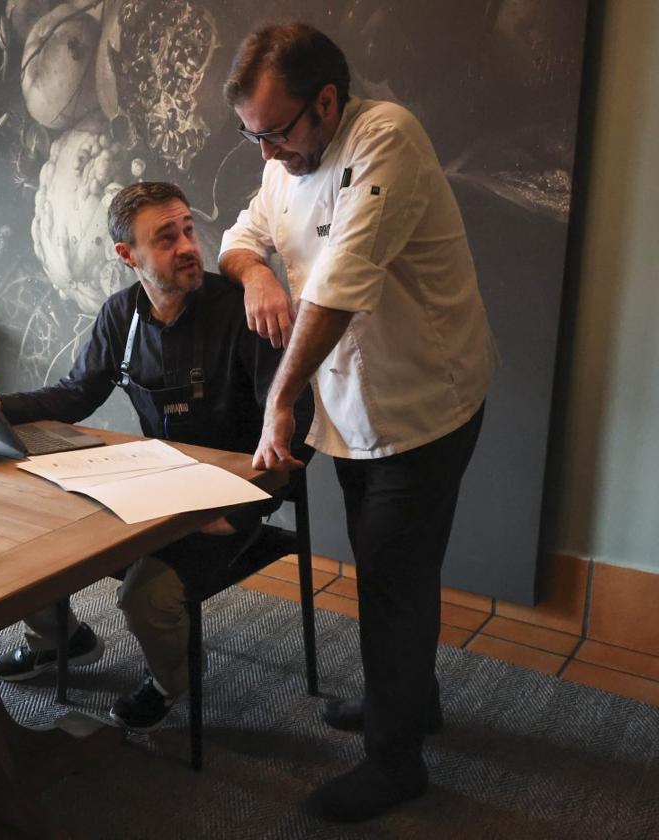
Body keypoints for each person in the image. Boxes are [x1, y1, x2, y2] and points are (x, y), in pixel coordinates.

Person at [218, 23, 496, 822]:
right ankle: (410, 704)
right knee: (399, 572)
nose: (266, 153)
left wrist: (278, 401)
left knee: (389, 581)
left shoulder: (386, 139)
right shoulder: (284, 166)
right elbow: (241, 236)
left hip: (424, 404)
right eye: (252, 135)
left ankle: (395, 761)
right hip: (352, 405)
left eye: (275, 132)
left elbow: (340, 286)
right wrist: (256, 277)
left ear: (327, 102)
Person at [0, 180, 312, 731]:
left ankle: (169, 684)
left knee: (144, 596)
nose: (188, 247)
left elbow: (298, 418)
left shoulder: (238, 311)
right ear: (128, 256)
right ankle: (60, 642)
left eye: (188, 230)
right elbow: (76, 393)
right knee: (30, 538)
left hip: (232, 497)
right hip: (154, 486)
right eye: (166, 237)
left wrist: (244, 508)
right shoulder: (119, 315)